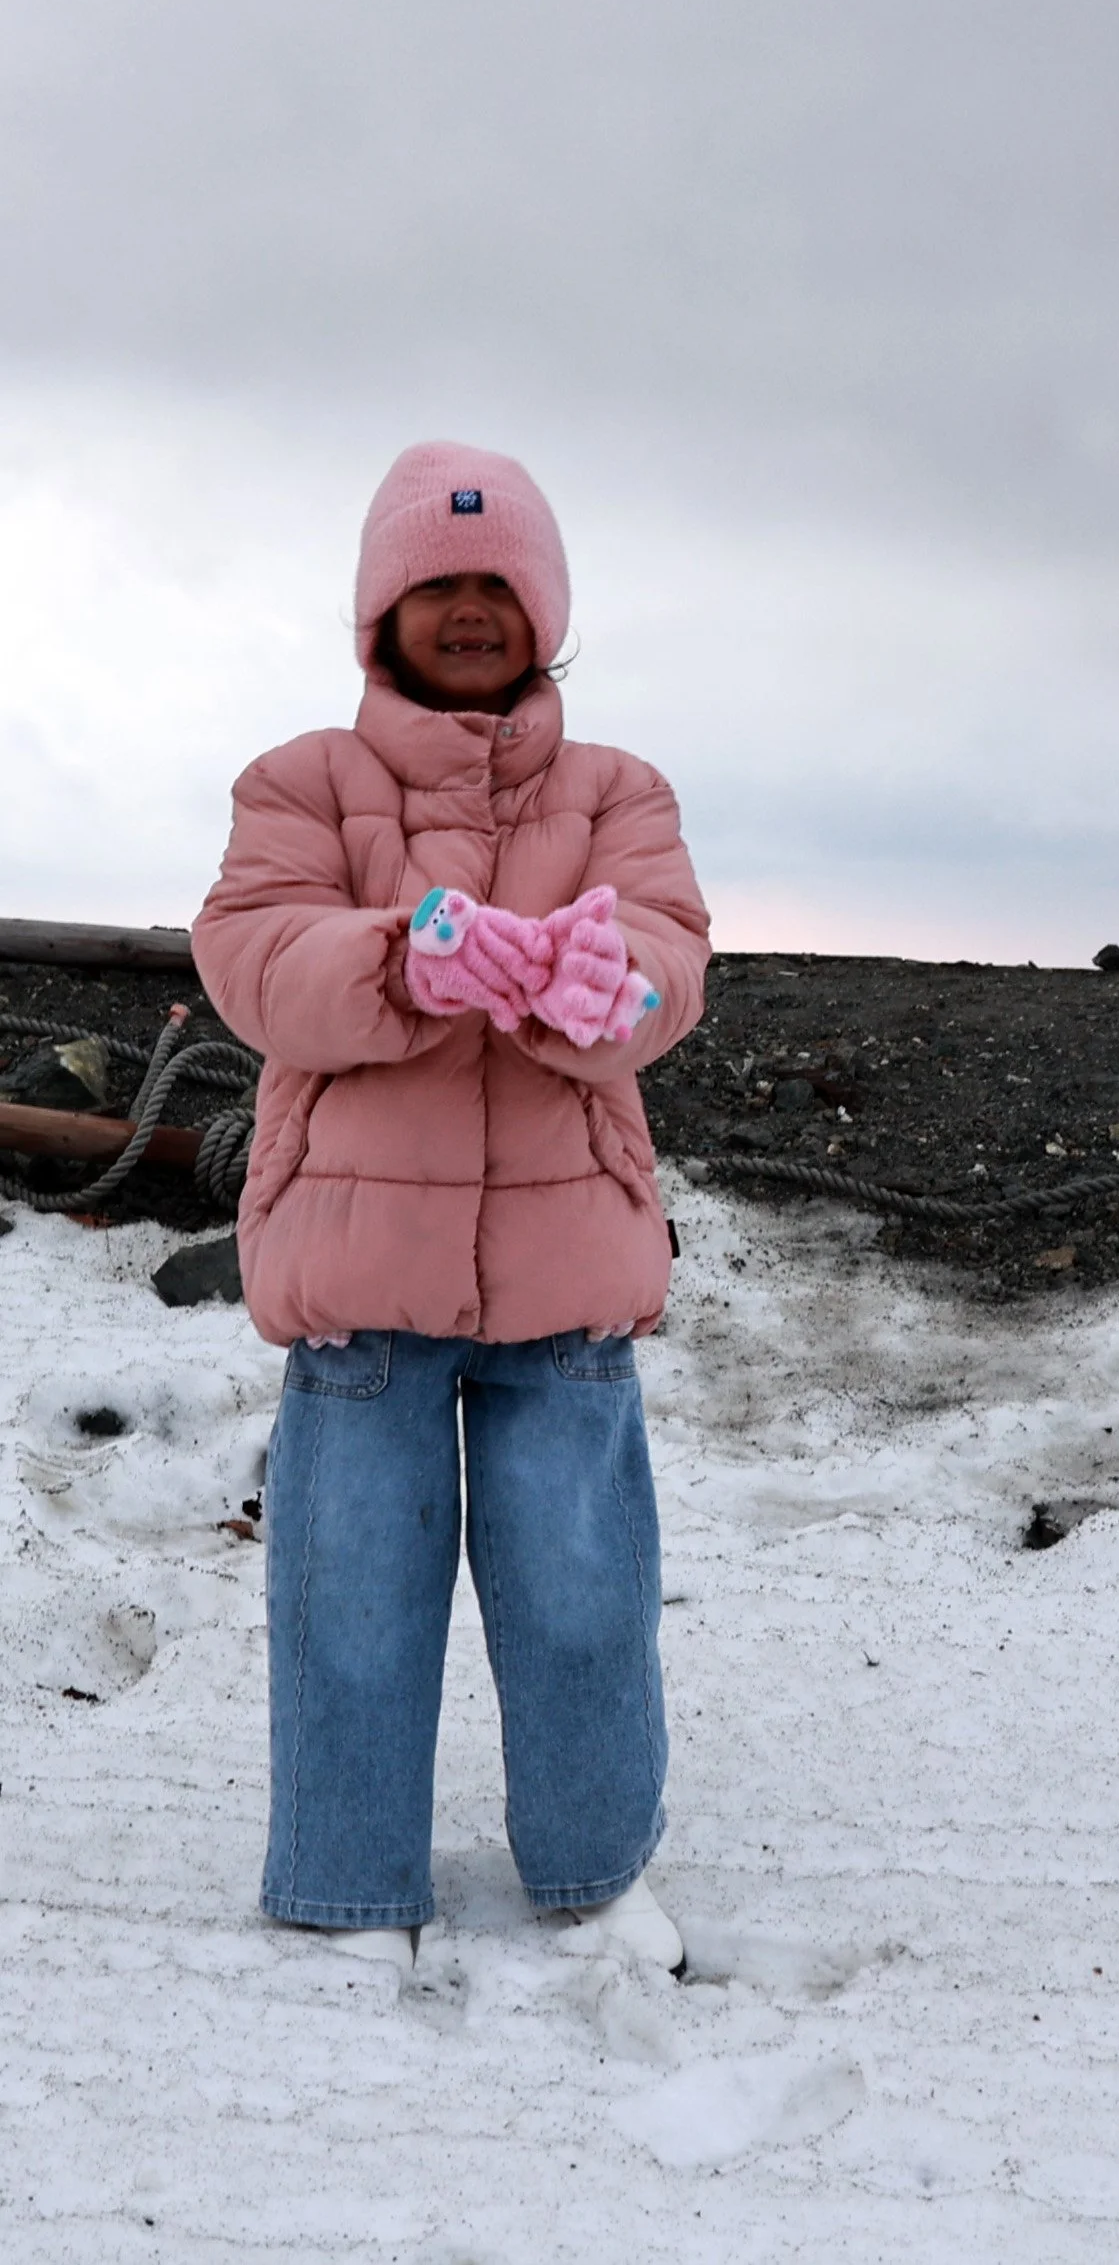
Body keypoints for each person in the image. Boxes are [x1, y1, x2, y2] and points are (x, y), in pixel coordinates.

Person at [193, 442, 710, 1976]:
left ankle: (597, 1874)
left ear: (543, 610)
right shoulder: (301, 781)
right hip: (360, 1281)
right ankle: (351, 1882)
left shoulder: (622, 789)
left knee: (580, 1598)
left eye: (497, 582)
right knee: (350, 1595)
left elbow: (671, 962)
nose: (470, 607)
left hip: (566, 1282)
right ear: (383, 612)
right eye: (438, 582)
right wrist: (400, 966)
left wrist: (593, 985)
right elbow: (250, 956)